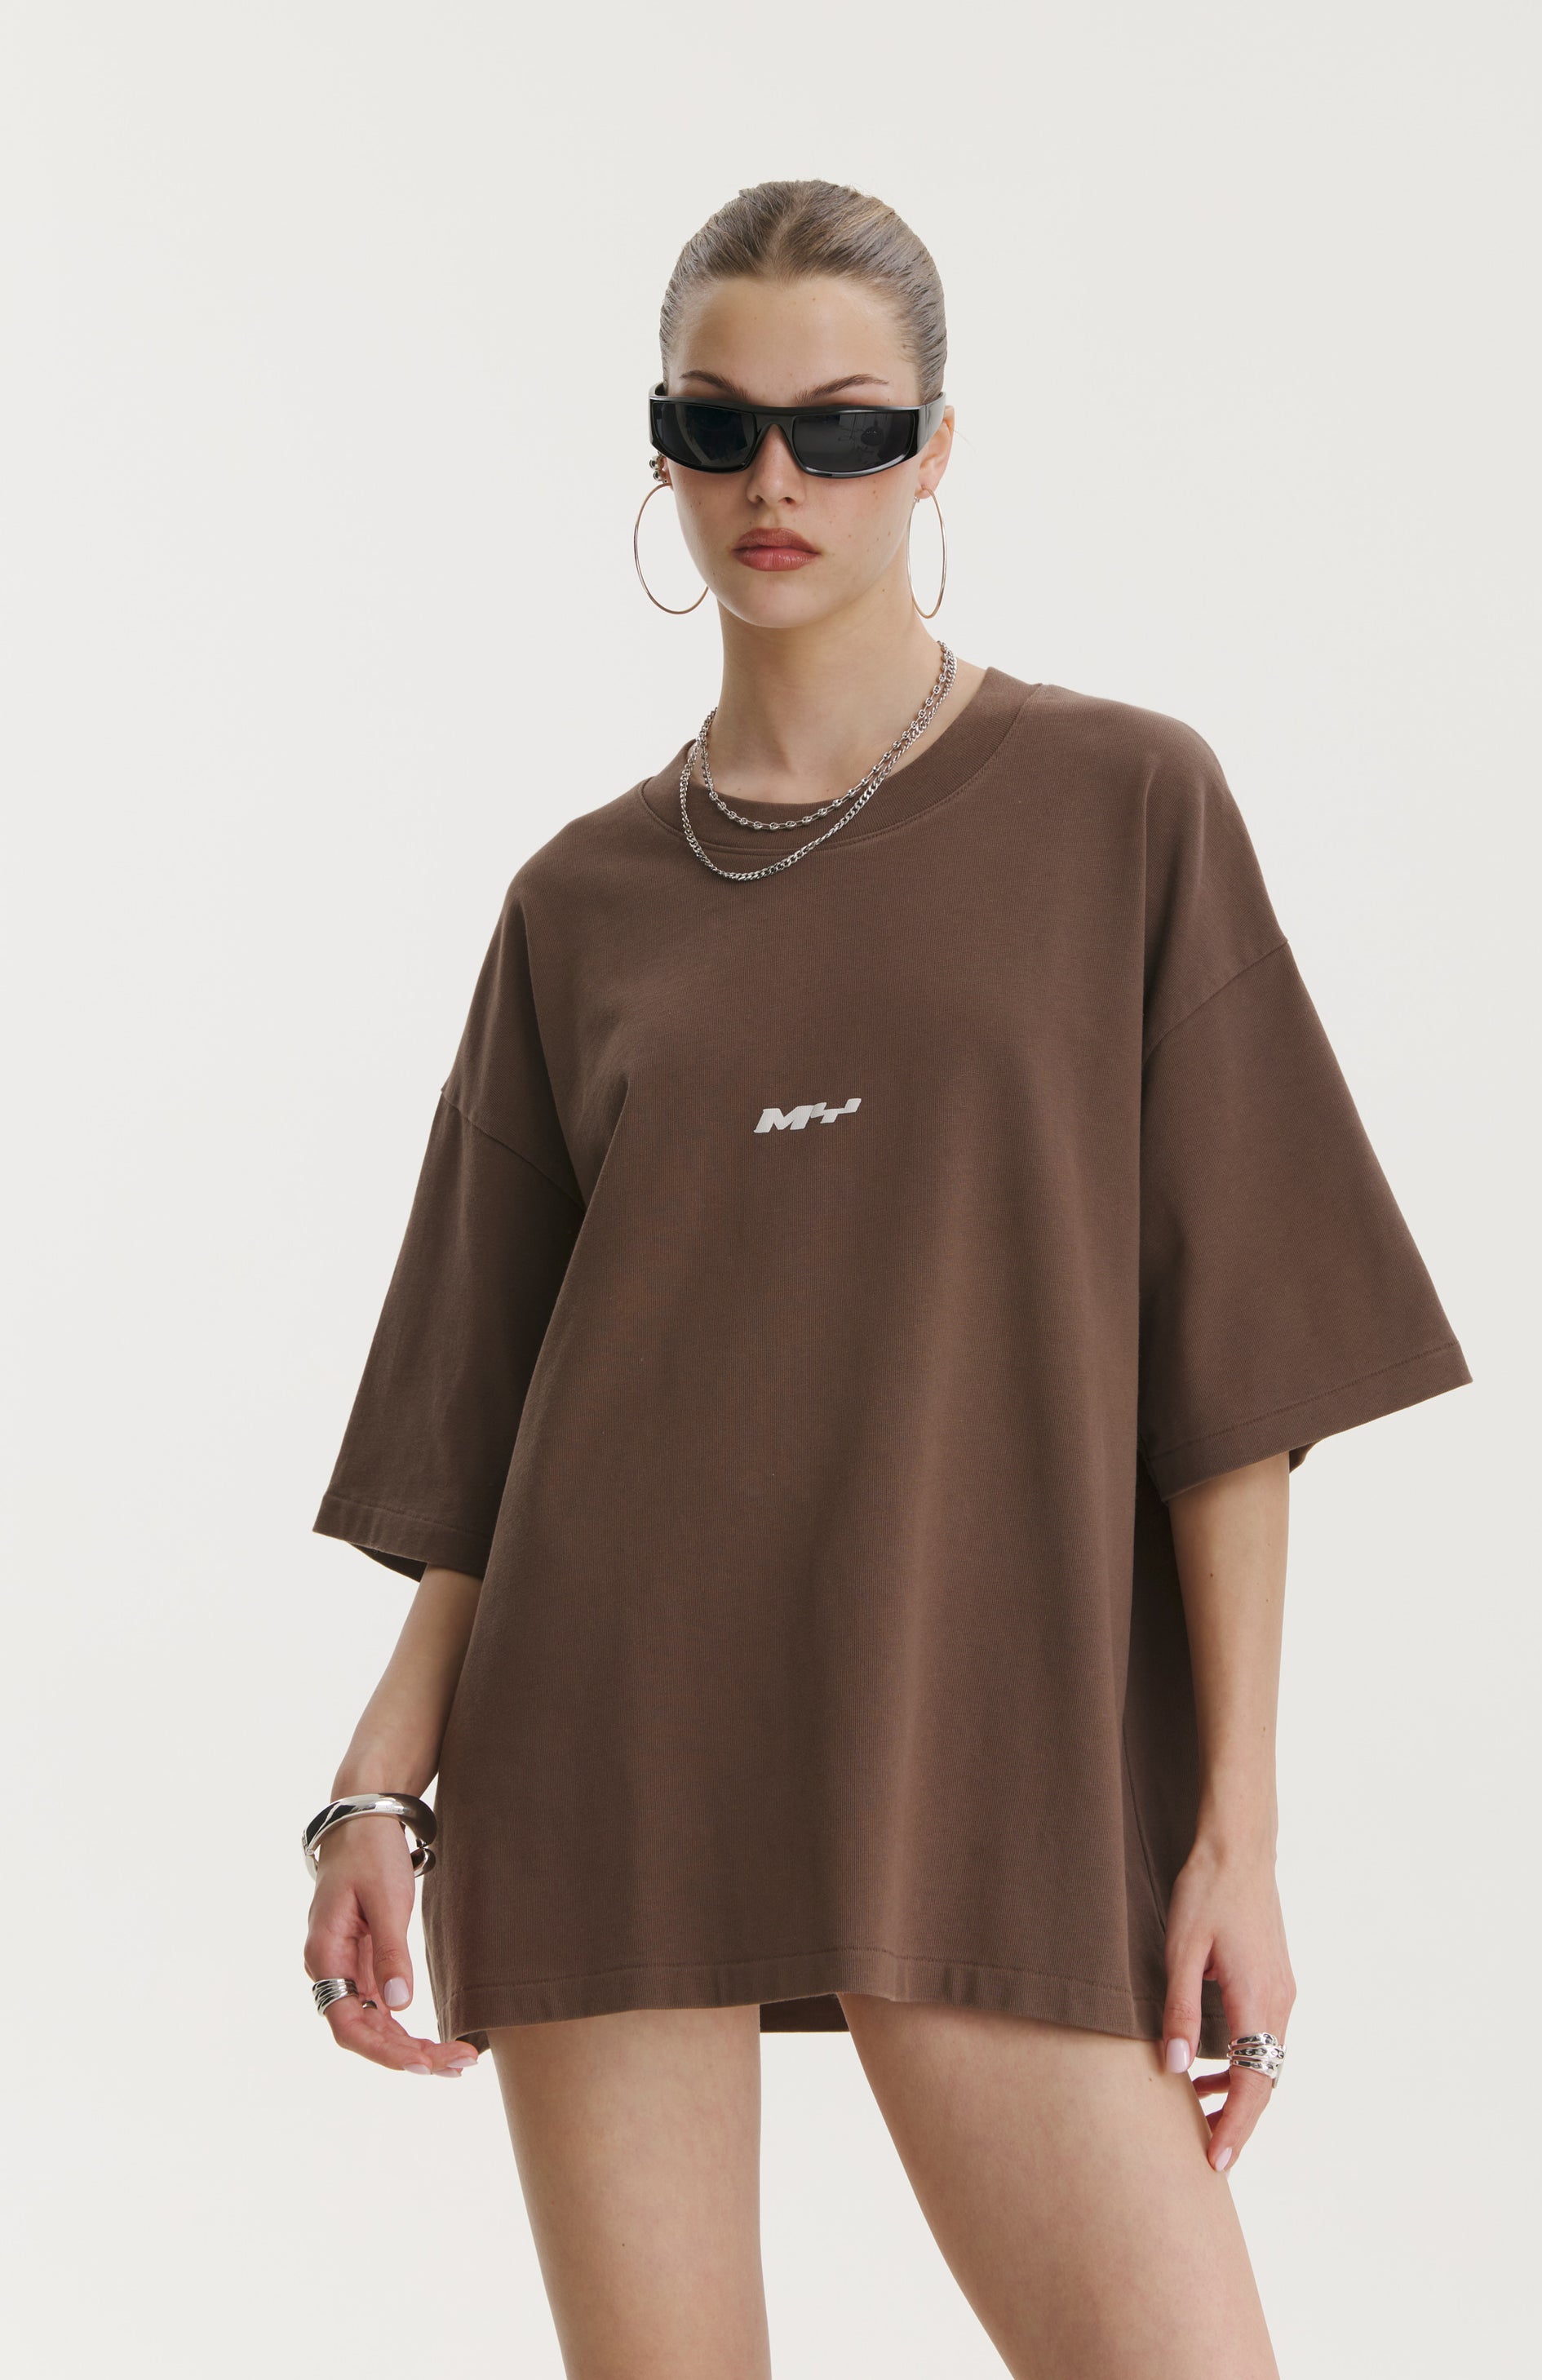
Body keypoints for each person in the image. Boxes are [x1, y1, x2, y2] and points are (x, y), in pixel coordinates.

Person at [302, 179, 1469, 2379]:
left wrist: (1234, 1836)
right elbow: (492, 1406)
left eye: (842, 428)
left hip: (979, 1739)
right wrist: (379, 1787)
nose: (778, 481)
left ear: (934, 449)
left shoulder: (1123, 804)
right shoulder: (577, 903)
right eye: (717, 424)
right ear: (659, 450)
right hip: (613, 1736)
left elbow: (1237, 1369)